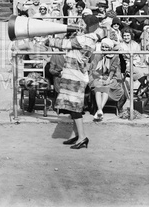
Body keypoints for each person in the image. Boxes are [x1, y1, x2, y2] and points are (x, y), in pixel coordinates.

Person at [44, 15, 105, 149]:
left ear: (89, 26)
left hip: (75, 78)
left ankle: (82, 138)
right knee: (72, 108)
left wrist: (48, 40)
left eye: (82, 23)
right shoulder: (89, 38)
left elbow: (63, 44)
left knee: (75, 109)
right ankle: (77, 135)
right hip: (73, 75)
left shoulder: (85, 39)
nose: (79, 26)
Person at [89, 38, 124, 121]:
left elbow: (113, 69)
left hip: (111, 78)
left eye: (106, 47)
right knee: (98, 88)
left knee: (106, 88)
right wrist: (100, 78)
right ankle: (100, 110)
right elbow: (93, 69)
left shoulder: (115, 56)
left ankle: (99, 110)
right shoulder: (97, 55)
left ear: (110, 48)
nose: (104, 49)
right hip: (98, 77)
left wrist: (108, 79)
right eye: (103, 47)